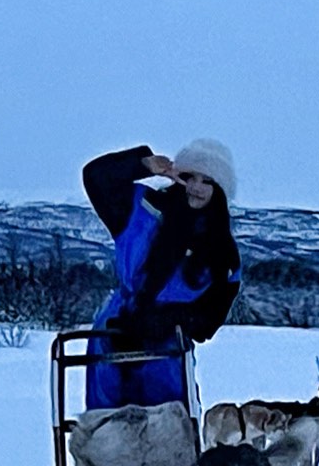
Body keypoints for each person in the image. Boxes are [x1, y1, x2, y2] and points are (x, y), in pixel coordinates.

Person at [80, 137, 241, 411]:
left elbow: (210, 319)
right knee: (105, 433)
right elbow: (96, 178)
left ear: (221, 190)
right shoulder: (142, 209)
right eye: (190, 176)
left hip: (167, 352)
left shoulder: (223, 253)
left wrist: (169, 320)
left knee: (169, 437)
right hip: (114, 333)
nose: (196, 187)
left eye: (207, 181)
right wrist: (144, 164)